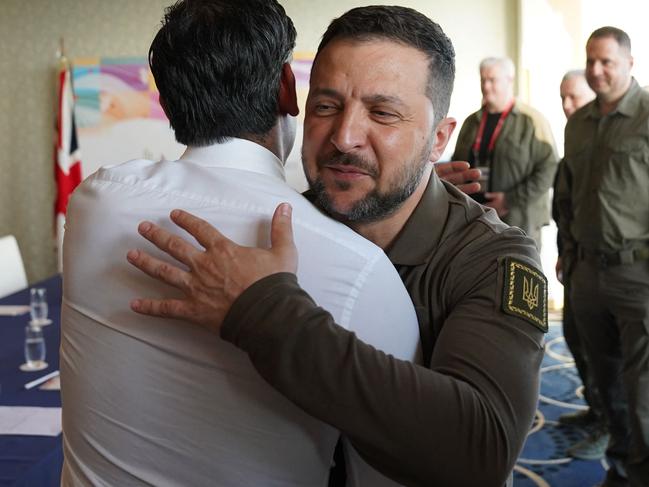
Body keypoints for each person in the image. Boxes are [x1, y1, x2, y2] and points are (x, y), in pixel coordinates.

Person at [128, 6, 547, 487]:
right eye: (326, 106)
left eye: (383, 114)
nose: (344, 137)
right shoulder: (274, 227)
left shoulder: (492, 258)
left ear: (438, 141)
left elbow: (480, 451)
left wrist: (264, 314)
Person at [60, 1, 424, 485]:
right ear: (288, 89)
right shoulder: (360, 270)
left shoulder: (93, 203)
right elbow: (394, 467)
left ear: (167, 106)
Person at [557, 26, 649, 487]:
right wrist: (570, 258)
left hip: (639, 275)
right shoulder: (578, 123)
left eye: (606, 61)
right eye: (590, 60)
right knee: (605, 379)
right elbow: (569, 197)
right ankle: (619, 463)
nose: (595, 70)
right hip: (589, 273)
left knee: (643, 388)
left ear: (629, 63)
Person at [553, 70, 609, 460]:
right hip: (575, 260)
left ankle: (610, 425)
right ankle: (595, 408)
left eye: (574, 97)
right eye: (563, 98)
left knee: (606, 351)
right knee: (576, 337)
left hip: (605, 266)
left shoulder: (605, 143)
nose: (567, 106)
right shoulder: (575, 140)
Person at [452, 57, 558, 249]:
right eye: (483, 80)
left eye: (492, 80)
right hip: (476, 222)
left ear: (510, 80)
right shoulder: (471, 122)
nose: (486, 86)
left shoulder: (532, 121)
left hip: (519, 223)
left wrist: (509, 200)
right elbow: (456, 165)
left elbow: (549, 168)